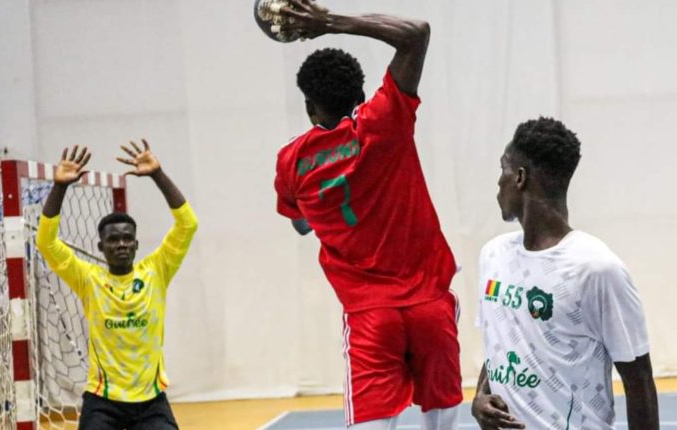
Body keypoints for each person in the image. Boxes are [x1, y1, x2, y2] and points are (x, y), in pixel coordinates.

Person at [272, 1, 462, 428]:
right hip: (429, 303)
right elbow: (416, 33)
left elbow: (300, 223)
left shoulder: (291, 162)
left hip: (370, 315)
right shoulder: (384, 121)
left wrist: (328, 211)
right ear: (360, 98)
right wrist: (328, 22)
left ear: (310, 109)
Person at [471, 117, 659, 429]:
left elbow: (639, 380)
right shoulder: (493, 255)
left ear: (520, 177)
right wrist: (480, 396)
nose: (498, 182)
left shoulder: (596, 269)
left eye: (502, 169)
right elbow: (498, 345)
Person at [36, 141, 198, 430]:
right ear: (101, 247)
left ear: (136, 244)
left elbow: (188, 224)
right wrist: (59, 187)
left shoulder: (156, 271)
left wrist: (158, 174)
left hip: (150, 400)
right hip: (103, 400)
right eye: (113, 239)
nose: (121, 244)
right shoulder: (89, 279)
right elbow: (46, 242)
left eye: (127, 238)